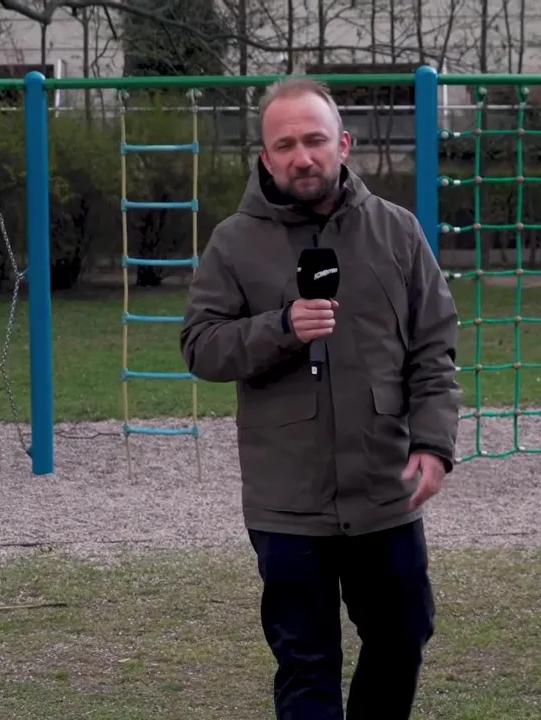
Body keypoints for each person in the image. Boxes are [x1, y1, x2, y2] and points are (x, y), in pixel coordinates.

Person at [180, 77, 461, 718]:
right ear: (265, 155)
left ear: (344, 143)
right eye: (285, 145)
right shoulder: (233, 242)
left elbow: (434, 351)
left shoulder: (397, 232)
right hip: (287, 502)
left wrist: (433, 443)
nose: (302, 157)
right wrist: (281, 327)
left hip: (384, 491)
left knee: (402, 636)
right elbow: (201, 346)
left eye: (314, 140)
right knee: (307, 663)